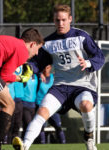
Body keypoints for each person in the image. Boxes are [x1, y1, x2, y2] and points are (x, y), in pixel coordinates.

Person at [12, 4, 105, 150]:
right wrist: (29, 68)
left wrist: (88, 63)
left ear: (70, 19)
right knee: (42, 111)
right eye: (57, 20)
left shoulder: (82, 37)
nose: (60, 24)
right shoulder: (48, 42)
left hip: (83, 85)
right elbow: (38, 63)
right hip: (60, 86)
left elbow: (99, 57)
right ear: (53, 21)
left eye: (63, 20)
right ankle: (25, 145)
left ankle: (89, 137)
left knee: (86, 105)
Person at [35, 64, 66, 144]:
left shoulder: (53, 78)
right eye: (44, 67)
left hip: (52, 106)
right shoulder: (39, 78)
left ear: (50, 68)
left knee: (58, 126)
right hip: (40, 105)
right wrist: (39, 74)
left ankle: (63, 143)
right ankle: (42, 144)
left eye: (48, 67)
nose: (46, 69)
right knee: (41, 126)